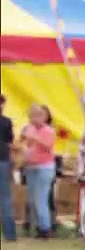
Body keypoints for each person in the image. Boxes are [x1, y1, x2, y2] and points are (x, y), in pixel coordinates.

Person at [20, 104, 56, 239]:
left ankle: (45, 228)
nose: (33, 119)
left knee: (41, 198)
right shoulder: (29, 128)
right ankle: (37, 225)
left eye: (35, 116)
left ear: (42, 117)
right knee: (32, 199)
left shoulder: (48, 131)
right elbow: (24, 143)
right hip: (31, 167)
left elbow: (48, 146)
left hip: (44, 168)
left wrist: (35, 138)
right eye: (31, 116)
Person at [0, 94, 17, 241]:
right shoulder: (6, 121)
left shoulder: (7, 121)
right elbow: (10, 143)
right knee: (5, 198)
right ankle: (10, 234)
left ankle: (10, 233)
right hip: (3, 160)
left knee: (5, 198)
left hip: (3, 160)